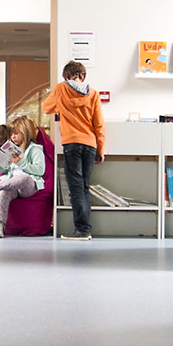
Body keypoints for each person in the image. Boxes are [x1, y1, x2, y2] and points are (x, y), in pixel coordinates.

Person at [43, 60, 105, 241]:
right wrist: (100, 149)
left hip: (71, 144)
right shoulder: (93, 93)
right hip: (90, 144)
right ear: (83, 77)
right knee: (84, 187)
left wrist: (61, 104)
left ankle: (82, 230)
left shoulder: (61, 88)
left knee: (75, 188)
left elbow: (46, 108)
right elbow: (99, 124)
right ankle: (85, 229)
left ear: (65, 77)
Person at [0, 114, 46, 239]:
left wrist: (20, 162)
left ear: (25, 133)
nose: (13, 137)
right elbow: (5, 171)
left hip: (29, 186)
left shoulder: (35, 149)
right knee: (4, 192)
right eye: (11, 134)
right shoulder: (12, 149)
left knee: (24, 178)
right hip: (12, 184)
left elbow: (40, 170)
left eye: (16, 134)